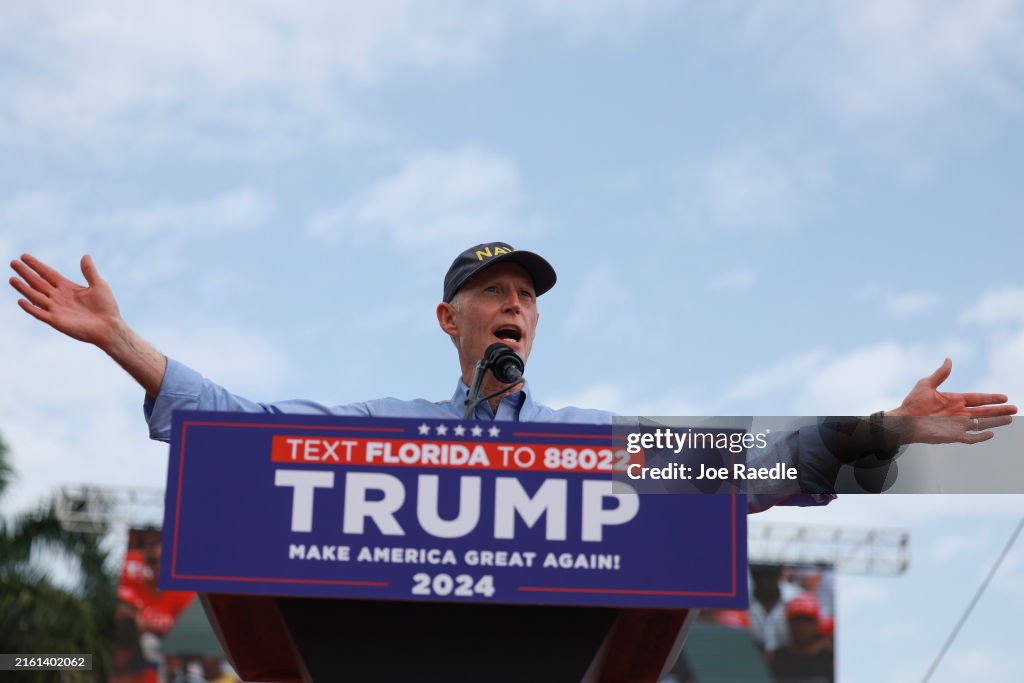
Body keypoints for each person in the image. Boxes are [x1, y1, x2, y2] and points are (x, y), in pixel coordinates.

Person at [8, 242, 1017, 505]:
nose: (514, 305)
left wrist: (883, 428)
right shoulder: (385, 425)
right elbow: (236, 425)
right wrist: (119, 341)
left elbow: (758, 460)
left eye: (527, 295)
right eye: (493, 291)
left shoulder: (595, 436)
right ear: (450, 319)